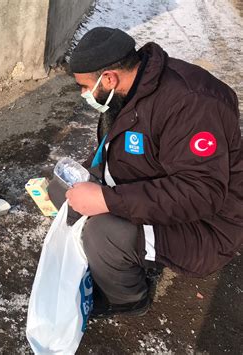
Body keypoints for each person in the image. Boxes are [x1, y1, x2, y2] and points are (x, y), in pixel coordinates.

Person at [49, 27, 243, 318]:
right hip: (149, 190)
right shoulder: (130, 88)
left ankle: (127, 298)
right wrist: (90, 178)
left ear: (109, 77)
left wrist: (108, 201)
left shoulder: (192, 104)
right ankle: (112, 257)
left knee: (104, 234)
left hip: (205, 226)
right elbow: (122, 145)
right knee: (61, 190)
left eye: (84, 86)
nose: (84, 94)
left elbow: (202, 194)